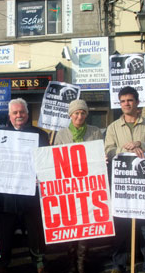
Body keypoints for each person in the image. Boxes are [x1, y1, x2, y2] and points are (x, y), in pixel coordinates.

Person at [0, 98, 49, 273]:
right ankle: (3, 262)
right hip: (5, 197)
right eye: (15, 113)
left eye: (22, 112)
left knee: (35, 233)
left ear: (27, 114)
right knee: (4, 234)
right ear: (9, 115)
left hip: (31, 196)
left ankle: (38, 260)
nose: (19, 115)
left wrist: (41, 175)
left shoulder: (40, 134)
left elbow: (46, 161)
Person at [54, 99, 103, 273]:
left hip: (88, 187)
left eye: (83, 113)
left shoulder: (95, 132)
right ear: (70, 115)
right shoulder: (61, 134)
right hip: (68, 188)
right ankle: (71, 260)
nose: (79, 116)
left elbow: (100, 154)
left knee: (86, 224)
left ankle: (81, 262)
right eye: (76, 113)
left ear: (86, 114)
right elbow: (55, 161)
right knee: (70, 224)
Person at [105, 86, 145, 273]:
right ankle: (118, 264)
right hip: (122, 184)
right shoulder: (113, 127)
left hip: (142, 184)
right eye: (122, 101)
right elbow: (108, 151)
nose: (126, 104)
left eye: (130, 100)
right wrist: (125, 149)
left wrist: (141, 144)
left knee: (143, 225)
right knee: (121, 224)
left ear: (137, 102)